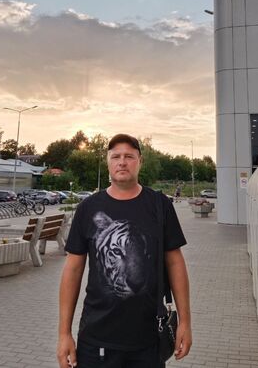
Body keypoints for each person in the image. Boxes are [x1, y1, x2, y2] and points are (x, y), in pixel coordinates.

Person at [57, 133, 192, 368]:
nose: (122, 162)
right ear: (108, 162)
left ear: (140, 162)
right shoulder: (88, 208)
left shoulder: (160, 205)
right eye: (116, 156)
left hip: (149, 338)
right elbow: (73, 269)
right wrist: (64, 333)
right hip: (96, 338)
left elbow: (175, 262)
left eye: (129, 156)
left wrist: (185, 322)